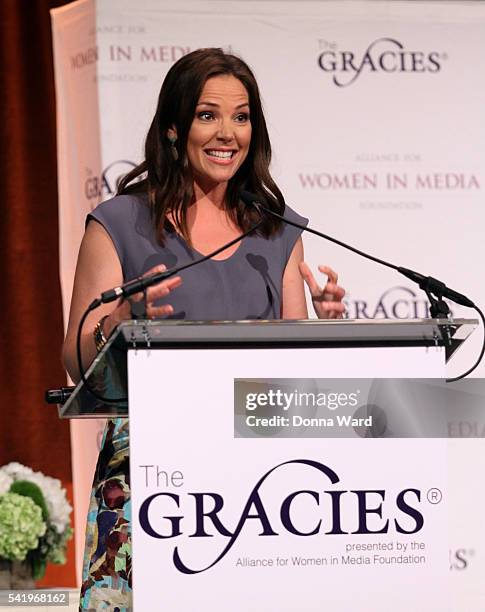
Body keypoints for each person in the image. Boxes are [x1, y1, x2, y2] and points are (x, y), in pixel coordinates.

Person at [62, 48, 345, 611]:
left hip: (255, 481)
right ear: (174, 126)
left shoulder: (277, 232)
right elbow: (75, 359)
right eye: (208, 115)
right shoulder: (120, 222)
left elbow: (293, 376)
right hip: (149, 476)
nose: (227, 133)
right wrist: (116, 323)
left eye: (242, 117)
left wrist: (325, 327)